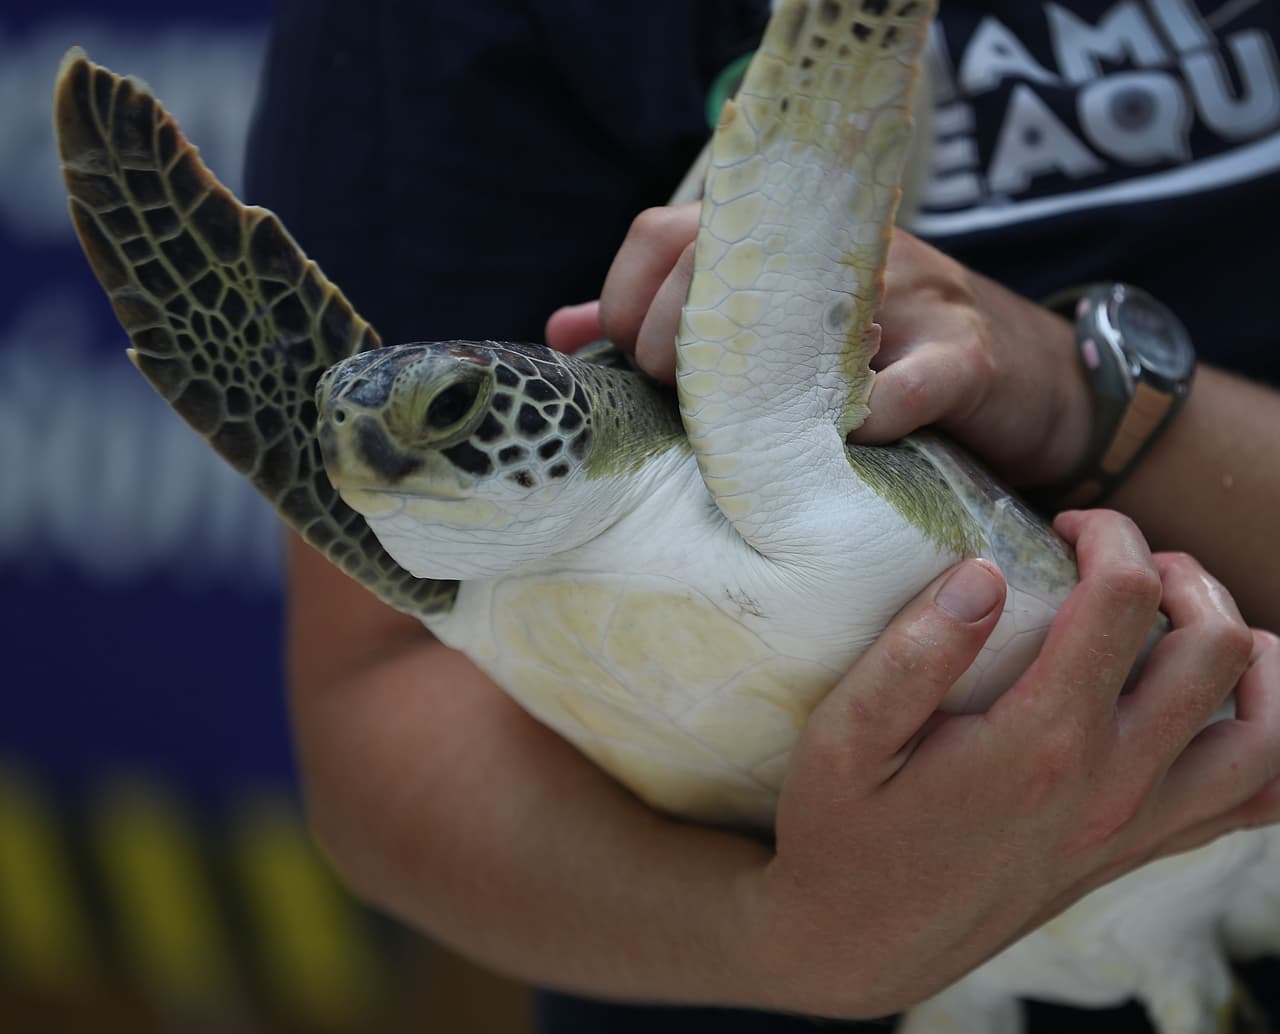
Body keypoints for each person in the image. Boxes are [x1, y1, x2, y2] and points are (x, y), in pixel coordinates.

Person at [245, 2, 1280, 1030]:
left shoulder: (753, 405)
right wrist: (788, 938)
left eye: (452, 412)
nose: (376, 460)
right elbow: (373, 690)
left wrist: (1068, 393)